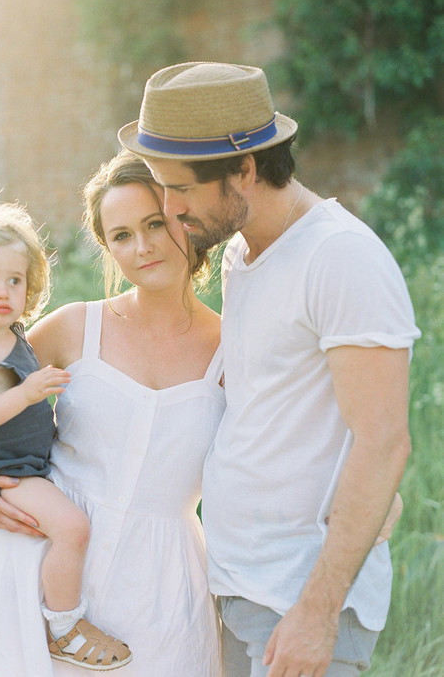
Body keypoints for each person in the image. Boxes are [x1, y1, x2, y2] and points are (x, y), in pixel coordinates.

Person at [118, 61, 421, 677]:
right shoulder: (240, 251)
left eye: (181, 189)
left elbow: (383, 441)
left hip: (302, 600)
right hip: (237, 585)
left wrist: (317, 611)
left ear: (246, 169)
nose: (170, 210)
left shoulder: (340, 257)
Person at [0, 152, 225, 677]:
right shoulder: (75, 327)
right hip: (41, 564)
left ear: (187, 219)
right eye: (120, 235)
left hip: (165, 587)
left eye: (155, 224)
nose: (141, 247)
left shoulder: (235, 349)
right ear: (106, 248)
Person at [0, 200, 132, 671]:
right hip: (3, 471)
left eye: (14, 281)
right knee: (73, 528)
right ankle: (65, 628)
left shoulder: (12, 336)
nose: (4, 292)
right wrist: (26, 394)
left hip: (26, 463)